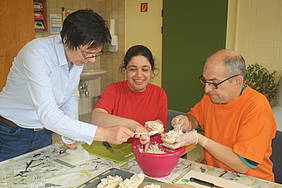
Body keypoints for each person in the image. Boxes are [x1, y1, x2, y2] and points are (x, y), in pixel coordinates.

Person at [0, 9, 134, 162]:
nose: (92, 60)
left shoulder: (76, 55)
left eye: (95, 54)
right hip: (10, 132)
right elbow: (49, 115)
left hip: (43, 132)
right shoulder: (36, 54)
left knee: (40, 178)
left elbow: (69, 94)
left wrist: (71, 131)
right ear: (66, 39)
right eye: (88, 54)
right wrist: (104, 134)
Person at [164, 49, 276, 181]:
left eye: (214, 83)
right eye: (205, 81)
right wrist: (186, 122)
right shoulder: (212, 96)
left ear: (237, 81)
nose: (207, 89)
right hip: (215, 174)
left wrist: (200, 139)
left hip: (249, 180)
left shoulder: (257, 107)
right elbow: (195, 119)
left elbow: (243, 165)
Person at [91, 45, 168, 143]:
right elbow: (96, 118)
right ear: (125, 71)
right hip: (116, 149)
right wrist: (133, 125)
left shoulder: (159, 93)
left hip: (146, 148)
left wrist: (154, 127)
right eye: (133, 69)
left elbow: (160, 128)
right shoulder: (113, 90)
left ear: (152, 72)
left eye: (145, 69)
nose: (139, 75)